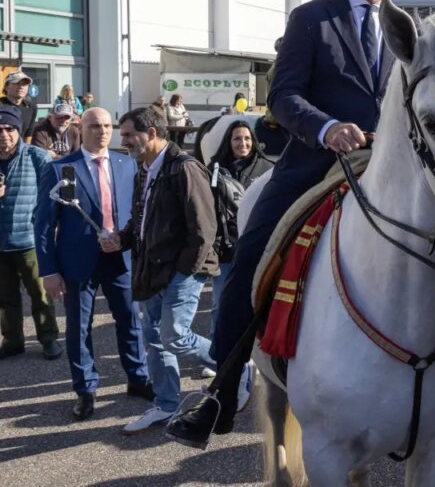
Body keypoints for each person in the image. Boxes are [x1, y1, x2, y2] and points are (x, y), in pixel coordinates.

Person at [167, 0, 406, 446]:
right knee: (249, 257)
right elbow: (282, 96)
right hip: (314, 165)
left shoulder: (403, 25)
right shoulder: (312, 19)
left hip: (388, 166)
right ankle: (219, 395)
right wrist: (326, 128)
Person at [106, 107, 221, 435]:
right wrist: (122, 239)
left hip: (181, 273)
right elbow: (141, 220)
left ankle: (232, 367)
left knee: (175, 336)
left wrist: (184, 273)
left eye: (129, 135)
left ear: (152, 133)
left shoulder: (184, 168)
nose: (123, 140)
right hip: (150, 271)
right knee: (155, 340)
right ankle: (166, 404)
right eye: (123, 134)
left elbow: (204, 229)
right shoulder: (144, 169)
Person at [36, 108, 152, 420]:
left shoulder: (127, 164)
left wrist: (127, 243)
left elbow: (137, 212)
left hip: (119, 257)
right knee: (78, 328)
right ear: (80, 128)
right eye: (93, 126)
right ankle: (85, 389)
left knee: (129, 320)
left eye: (105, 126)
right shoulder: (62, 169)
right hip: (77, 262)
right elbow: (44, 225)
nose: (101, 132)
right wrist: (48, 270)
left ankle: (138, 378)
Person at [203, 120, 273, 354]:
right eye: (236, 138)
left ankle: (253, 352)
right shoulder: (214, 168)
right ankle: (218, 351)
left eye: (246, 138)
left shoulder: (268, 168)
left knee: (256, 303)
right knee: (219, 304)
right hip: (224, 248)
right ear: (228, 142)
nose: (242, 143)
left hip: (256, 248)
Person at [0, 106, 61, 360]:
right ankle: (13, 340)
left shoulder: (37, 157)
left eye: (10, 129)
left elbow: (52, 197)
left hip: (29, 241)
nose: (4, 135)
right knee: (5, 298)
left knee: (40, 295)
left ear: (19, 130)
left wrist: (42, 227)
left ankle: (48, 339)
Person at [1, 72, 36, 140]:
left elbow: (29, 133)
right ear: (6, 86)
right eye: (17, 83)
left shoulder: (31, 107)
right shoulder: (1, 105)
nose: (21, 87)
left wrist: (25, 150)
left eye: (25, 84)